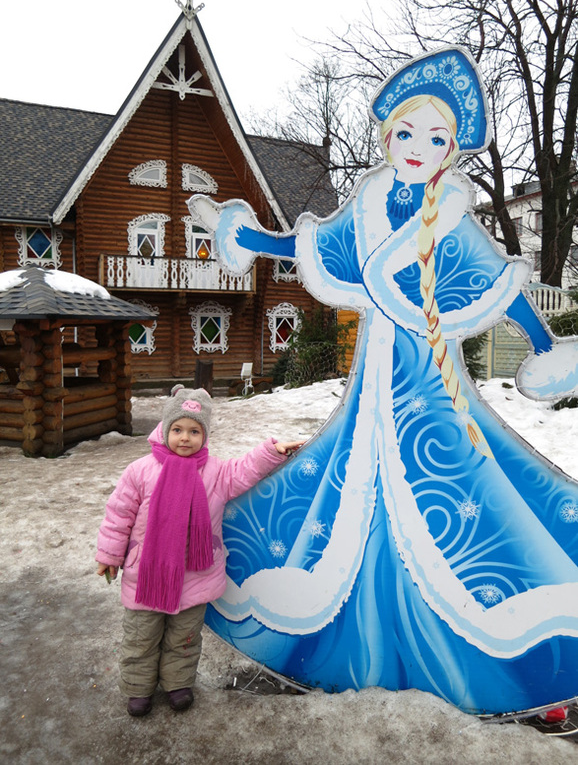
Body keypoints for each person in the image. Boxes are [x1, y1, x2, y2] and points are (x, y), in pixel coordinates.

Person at [187, 47, 578, 716]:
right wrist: (247, 236)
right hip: (371, 391)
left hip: (430, 390)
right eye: (406, 133)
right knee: (344, 493)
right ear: (387, 136)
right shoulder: (366, 207)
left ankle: (499, 656)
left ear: (453, 148)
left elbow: (500, 288)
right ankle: (340, 640)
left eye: (437, 137)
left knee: (459, 491)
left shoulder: (452, 219)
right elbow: (308, 247)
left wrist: (545, 343)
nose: (420, 147)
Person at [95, 384, 303, 717]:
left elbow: (244, 470)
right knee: (141, 637)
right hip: (146, 576)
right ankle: (138, 688)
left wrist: (271, 450)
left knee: (184, 638)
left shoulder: (216, 472)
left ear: (204, 436)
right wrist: (109, 555)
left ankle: (178, 685)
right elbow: (119, 514)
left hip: (194, 578)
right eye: (177, 429)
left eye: (194, 431)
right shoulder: (140, 471)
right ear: (164, 430)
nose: (184, 438)